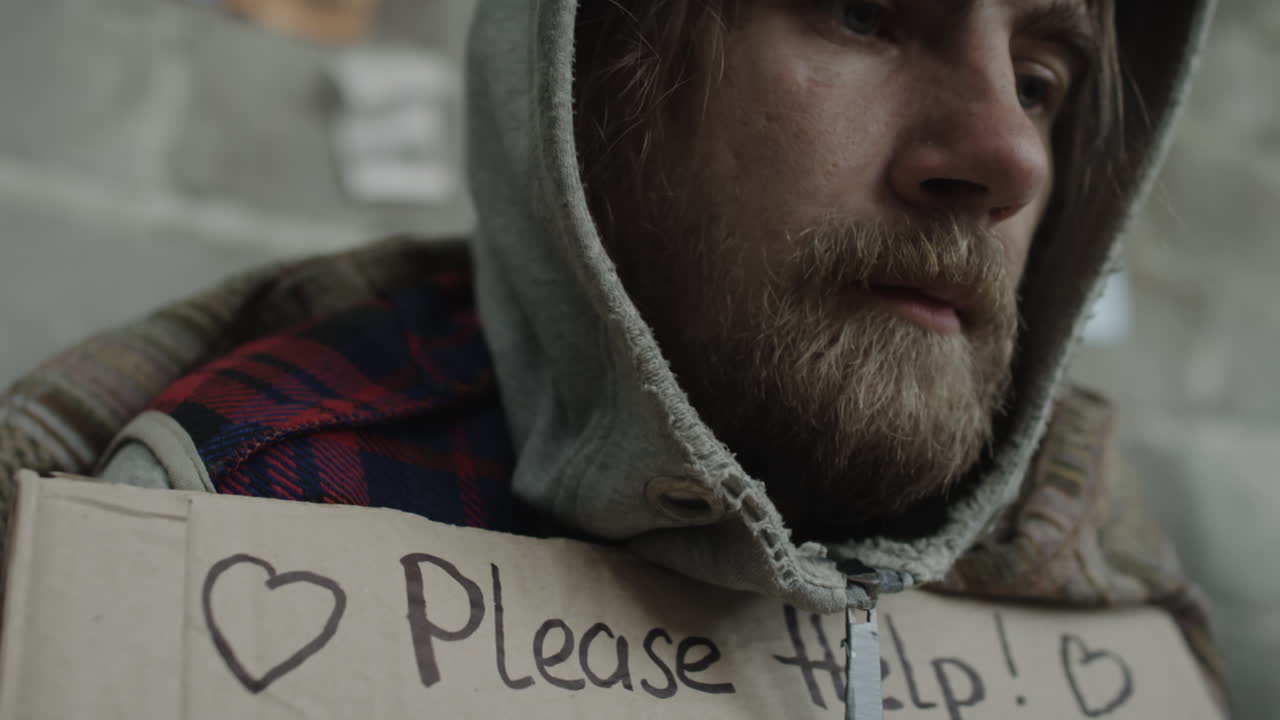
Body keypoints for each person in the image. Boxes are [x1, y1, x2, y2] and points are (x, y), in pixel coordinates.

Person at [0, 0, 1224, 715]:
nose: (1005, 155)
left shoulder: (1092, 557)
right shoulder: (231, 494)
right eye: (864, 10)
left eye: (1038, 77)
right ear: (595, 85)